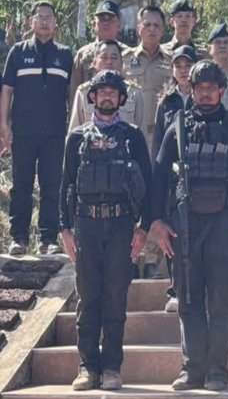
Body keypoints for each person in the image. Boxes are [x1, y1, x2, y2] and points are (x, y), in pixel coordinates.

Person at [151, 60, 228, 391]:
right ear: (191, 90)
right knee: (188, 299)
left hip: (223, 225)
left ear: (222, 91)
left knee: (220, 301)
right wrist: (156, 222)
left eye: (210, 88)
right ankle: (192, 370)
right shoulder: (177, 127)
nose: (204, 94)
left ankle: (217, 371)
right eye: (198, 88)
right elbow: (159, 177)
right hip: (183, 224)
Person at [59, 70, 152, 391]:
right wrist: (64, 229)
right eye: (102, 92)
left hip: (121, 225)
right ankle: (87, 367)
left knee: (115, 296)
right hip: (86, 226)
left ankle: (112, 367)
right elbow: (65, 185)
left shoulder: (132, 136)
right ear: (93, 98)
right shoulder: (77, 138)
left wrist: (144, 228)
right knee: (88, 297)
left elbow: (149, 184)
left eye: (113, 92)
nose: (108, 96)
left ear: (122, 98)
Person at [0, 0, 73, 255]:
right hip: (23, 132)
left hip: (55, 133)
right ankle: (18, 238)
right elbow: (7, 90)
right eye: (39, 17)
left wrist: (72, 130)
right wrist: (3, 124)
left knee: (52, 186)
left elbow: (71, 94)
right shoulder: (18, 52)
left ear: (55, 23)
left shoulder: (65, 55)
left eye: (49, 17)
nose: (44, 21)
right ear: (31, 22)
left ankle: (48, 239)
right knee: (22, 185)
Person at [122, 6, 173, 278]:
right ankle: (131, 256)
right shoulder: (124, 59)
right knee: (131, 192)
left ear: (163, 30)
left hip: (161, 137)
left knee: (156, 193)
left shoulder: (173, 61)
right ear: (138, 28)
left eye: (157, 25)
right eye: (147, 24)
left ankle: (153, 257)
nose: (152, 29)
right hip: (132, 136)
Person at [153, 45, 196, 314]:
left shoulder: (204, 96)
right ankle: (175, 289)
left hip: (201, 175)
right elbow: (159, 143)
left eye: (187, 65)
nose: (183, 70)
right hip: (172, 179)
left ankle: (197, 288)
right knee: (174, 234)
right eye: (178, 65)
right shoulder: (166, 102)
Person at [69, 40, 147, 137]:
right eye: (104, 57)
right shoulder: (84, 92)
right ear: (94, 63)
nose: (109, 62)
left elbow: (141, 133)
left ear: (122, 64)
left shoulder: (134, 93)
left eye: (114, 58)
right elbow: (75, 132)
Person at [69, 0, 127, 102]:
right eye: (102, 19)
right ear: (94, 24)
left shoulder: (128, 54)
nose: (106, 23)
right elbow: (74, 93)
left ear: (118, 25)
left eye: (110, 20)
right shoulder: (82, 55)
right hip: (89, 110)